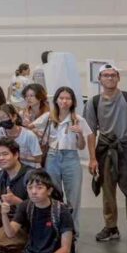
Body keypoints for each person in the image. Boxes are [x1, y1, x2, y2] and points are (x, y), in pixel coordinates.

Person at [84, 64, 127, 247]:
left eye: (113, 75)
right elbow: (90, 132)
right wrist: (92, 158)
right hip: (105, 149)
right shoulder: (93, 103)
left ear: (118, 77)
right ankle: (111, 227)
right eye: (106, 75)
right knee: (107, 190)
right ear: (100, 79)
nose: (110, 78)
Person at [31, 86, 89, 234]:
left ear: (73, 101)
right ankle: (55, 228)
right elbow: (30, 127)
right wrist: (41, 135)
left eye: (68, 98)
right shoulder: (49, 117)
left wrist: (80, 134)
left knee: (74, 196)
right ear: (56, 100)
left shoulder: (78, 120)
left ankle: (72, 231)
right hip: (52, 156)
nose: (64, 101)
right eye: (61, 98)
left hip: (71, 157)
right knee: (53, 193)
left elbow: (81, 146)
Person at [0, 104, 42, 168]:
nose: (2, 120)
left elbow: (38, 159)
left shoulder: (29, 135)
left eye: (5, 117)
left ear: (14, 117)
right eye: (0, 118)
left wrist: (16, 156)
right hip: (9, 168)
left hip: (29, 168)